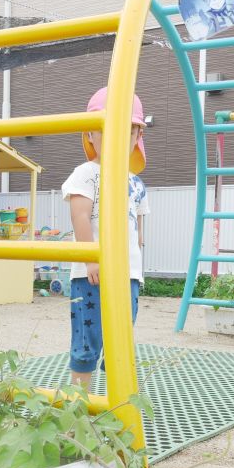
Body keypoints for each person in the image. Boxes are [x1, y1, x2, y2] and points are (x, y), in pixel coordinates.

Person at [62, 87, 149, 387]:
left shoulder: (135, 182)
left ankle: (115, 405)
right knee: (87, 342)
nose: (117, 137)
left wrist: (137, 264)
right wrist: (91, 259)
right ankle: (78, 405)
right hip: (92, 275)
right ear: (91, 134)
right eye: (107, 129)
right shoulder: (87, 172)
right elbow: (80, 215)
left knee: (121, 343)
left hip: (128, 275)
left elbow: (137, 225)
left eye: (127, 130)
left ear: (137, 135)